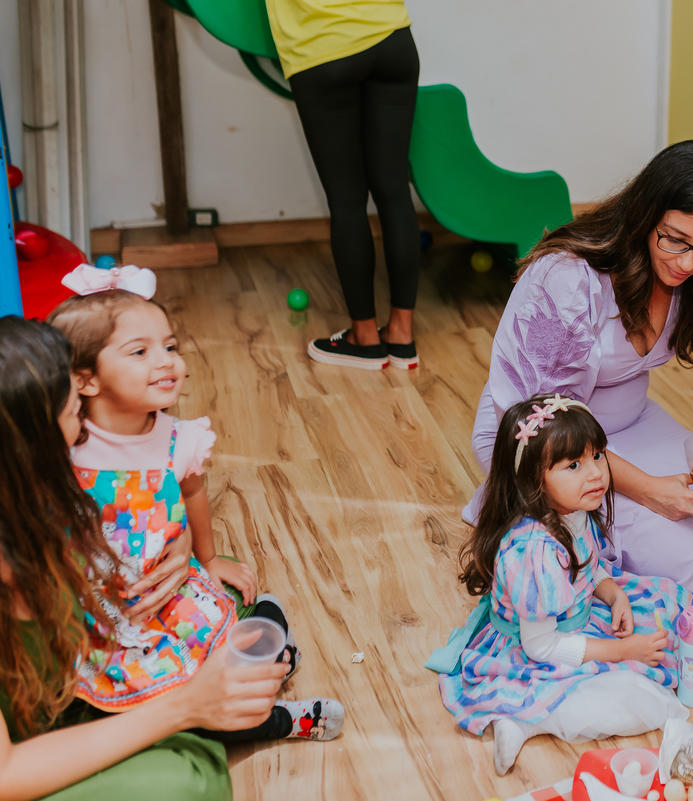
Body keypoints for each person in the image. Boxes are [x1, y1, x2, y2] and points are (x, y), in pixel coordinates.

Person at [467, 140, 693, 605]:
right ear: (646, 215)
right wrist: (650, 492)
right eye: (674, 239)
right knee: (681, 554)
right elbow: (539, 418)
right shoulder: (566, 277)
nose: (687, 263)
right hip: (545, 440)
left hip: (630, 423)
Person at [0, 315, 285, 800]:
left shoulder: (31, 503)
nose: (85, 430)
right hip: (23, 752)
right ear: (30, 446)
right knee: (188, 780)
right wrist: (185, 707)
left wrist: (177, 544)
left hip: (66, 685)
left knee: (214, 586)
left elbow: (135, 518)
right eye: (75, 416)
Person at [47, 285, 343, 741]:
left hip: (173, 599)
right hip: (107, 621)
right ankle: (278, 705)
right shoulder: (67, 440)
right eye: (140, 351)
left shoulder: (177, 439)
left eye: (169, 346)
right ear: (84, 379)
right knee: (175, 712)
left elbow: (193, 494)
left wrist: (208, 559)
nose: (166, 360)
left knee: (219, 670)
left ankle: (272, 667)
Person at [434, 395, 693, 775]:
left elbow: (588, 569)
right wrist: (622, 650)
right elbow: (541, 646)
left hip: (574, 617)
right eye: (574, 464)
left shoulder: (571, 510)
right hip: (540, 646)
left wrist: (614, 593)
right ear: (533, 480)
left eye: (597, 456)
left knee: (669, 606)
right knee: (645, 703)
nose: (595, 474)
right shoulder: (535, 552)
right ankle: (524, 720)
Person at [264, 0, 422, 370]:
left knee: (348, 201)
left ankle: (364, 339)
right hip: (392, 40)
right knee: (395, 190)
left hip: (323, 48)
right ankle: (401, 336)